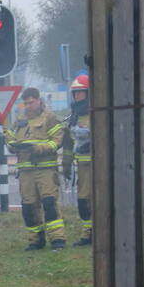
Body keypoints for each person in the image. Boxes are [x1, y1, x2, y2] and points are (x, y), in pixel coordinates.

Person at [7, 87, 66, 251]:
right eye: (25, 103)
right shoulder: (19, 120)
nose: (28, 106)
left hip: (45, 170)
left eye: (31, 102)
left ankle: (58, 239)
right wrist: (12, 146)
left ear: (39, 101)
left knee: (49, 203)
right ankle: (35, 240)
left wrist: (39, 148)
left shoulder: (50, 118)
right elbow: (10, 136)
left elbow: (57, 141)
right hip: (26, 172)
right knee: (28, 206)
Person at [62, 75, 93, 246]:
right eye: (75, 93)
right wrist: (66, 164)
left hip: (100, 165)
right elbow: (68, 142)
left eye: (80, 93)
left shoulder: (97, 112)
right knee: (83, 201)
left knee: (100, 199)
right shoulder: (74, 115)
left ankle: (102, 232)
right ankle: (87, 233)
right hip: (82, 166)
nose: (76, 96)